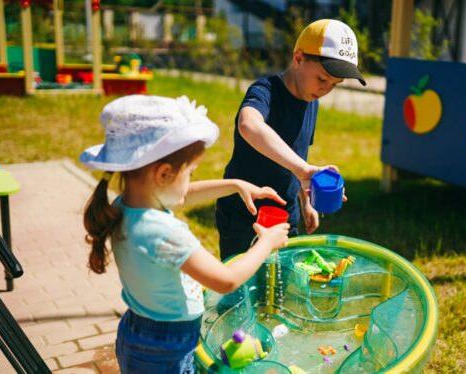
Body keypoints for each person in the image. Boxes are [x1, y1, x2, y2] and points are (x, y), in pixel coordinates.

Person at [81, 95, 289, 373]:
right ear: (164, 174)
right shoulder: (162, 232)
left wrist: (236, 184)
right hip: (166, 349)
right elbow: (225, 281)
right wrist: (266, 242)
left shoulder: (126, 204)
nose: (191, 181)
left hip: (138, 331)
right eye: (190, 172)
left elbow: (181, 195)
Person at [216, 19, 364, 259]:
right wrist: (304, 169)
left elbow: (298, 153)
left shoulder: (311, 101)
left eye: (335, 85)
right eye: (323, 79)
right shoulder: (266, 91)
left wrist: (306, 200)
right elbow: (249, 124)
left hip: (285, 215)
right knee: (241, 286)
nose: (326, 89)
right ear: (298, 58)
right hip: (244, 214)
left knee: (280, 287)